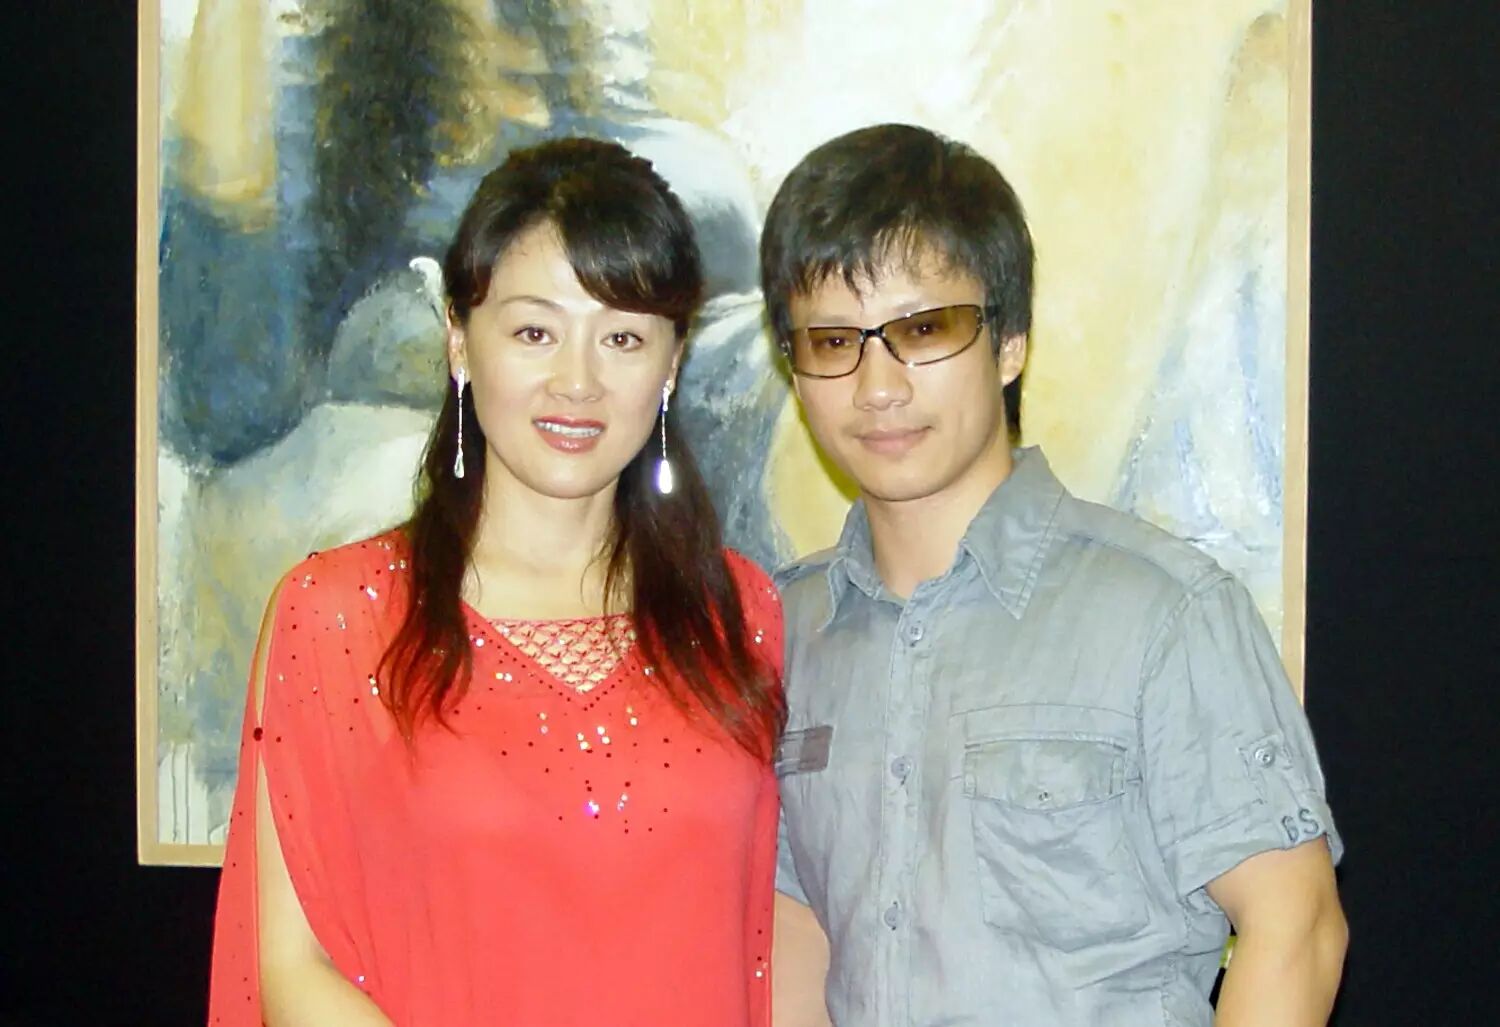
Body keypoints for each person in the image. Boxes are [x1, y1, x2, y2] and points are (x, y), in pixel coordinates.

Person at [762, 124, 1347, 1026]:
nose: (878, 387)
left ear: (1009, 343)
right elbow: (796, 917)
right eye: (834, 340)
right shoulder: (783, 627)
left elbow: (1296, 926)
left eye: (924, 329)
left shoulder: (1162, 613)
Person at [208, 138, 785, 1026]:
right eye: (534, 332)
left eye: (623, 338)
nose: (577, 381)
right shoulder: (335, 617)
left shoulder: (739, 614)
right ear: (460, 340)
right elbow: (293, 965)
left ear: (671, 364)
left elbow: (763, 940)